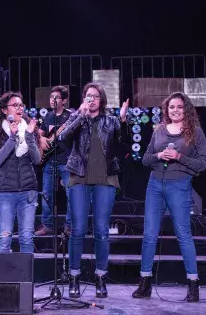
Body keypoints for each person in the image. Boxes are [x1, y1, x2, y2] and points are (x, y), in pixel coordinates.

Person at [132, 92, 206, 302]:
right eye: (171, 107)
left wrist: (179, 157)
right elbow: (146, 159)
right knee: (149, 235)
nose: (175, 110)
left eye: (179, 107)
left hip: (180, 185)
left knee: (183, 234)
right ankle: (145, 282)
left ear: (186, 110)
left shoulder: (195, 132)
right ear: (166, 109)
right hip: (155, 184)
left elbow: (202, 163)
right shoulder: (159, 130)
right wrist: (159, 156)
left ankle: (193, 285)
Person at [59, 82, 128, 299]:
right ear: (83, 99)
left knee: (101, 230)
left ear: (102, 100)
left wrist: (124, 121)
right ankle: (74, 276)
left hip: (105, 178)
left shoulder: (111, 121)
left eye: (96, 96)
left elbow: (122, 143)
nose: (92, 99)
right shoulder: (75, 118)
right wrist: (81, 116)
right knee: (78, 229)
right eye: (88, 96)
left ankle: (100, 276)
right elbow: (63, 140)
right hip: (79, 176)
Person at [0, 91, 41, 253]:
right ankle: (5, 278)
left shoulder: (28, 129)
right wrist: (12, 137)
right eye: (15, 105)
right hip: (4, 192)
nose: (19, 108)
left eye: (21, 105)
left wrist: (30, 137)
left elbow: (37, 159)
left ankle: (26, 278)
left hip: (27, 191)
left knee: (26, 237)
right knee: (4, 239)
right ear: (4, 110)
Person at [35, 86, 72, 237]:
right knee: (46, 194)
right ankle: (47, 225)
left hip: (67, 160)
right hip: (50, 160)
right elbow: (39, 135)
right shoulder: (48, 117)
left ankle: (70, 226)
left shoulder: (70, 117)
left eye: (56, 98)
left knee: (71, 194)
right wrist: (41, 138)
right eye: (51, 98)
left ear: (64, 100)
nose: (53, 100)